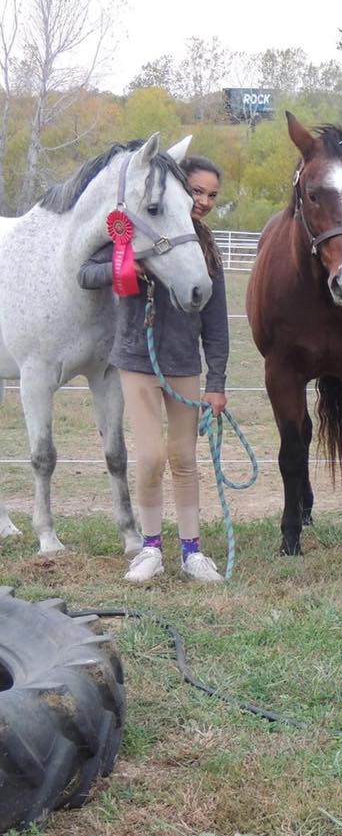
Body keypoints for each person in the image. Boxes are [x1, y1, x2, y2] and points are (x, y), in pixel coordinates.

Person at [78, 156, 230, 583]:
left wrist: (215, 382)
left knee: (184, 457)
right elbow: (85, 273)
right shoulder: (136, 232)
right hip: (137, 360)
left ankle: (192, 550)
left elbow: (216, 323)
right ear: (180, 190)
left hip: (183, 362)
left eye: (212, 195)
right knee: (149, 457)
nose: (203, 201)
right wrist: (126, 267)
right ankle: (149, 548)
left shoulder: (207, 247)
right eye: (197, 191)